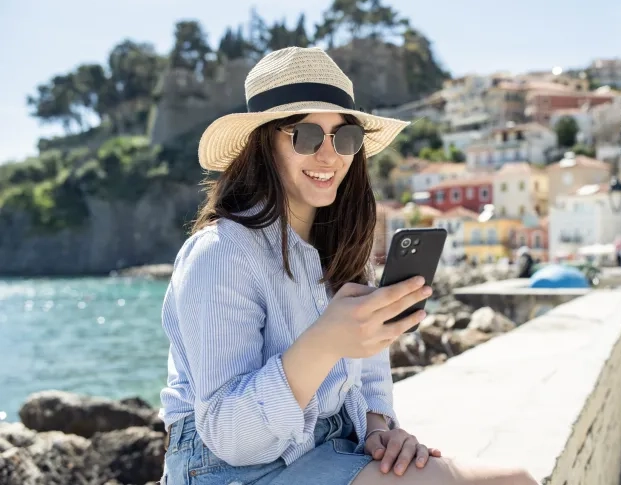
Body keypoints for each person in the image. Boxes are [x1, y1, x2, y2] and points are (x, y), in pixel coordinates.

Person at [158, 47, 538, 485]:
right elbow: (231, 436)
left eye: (345, 138)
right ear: (262, 144)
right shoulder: (220, 253)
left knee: (516, 480)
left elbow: (370, 372)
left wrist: (380, 429)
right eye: (305, 136)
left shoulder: (342, 249)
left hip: (329, 446)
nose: (329, 156)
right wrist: (324, 342)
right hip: (229, 470)